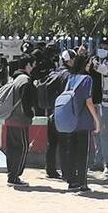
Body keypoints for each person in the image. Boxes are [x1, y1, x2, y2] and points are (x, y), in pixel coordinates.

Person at [55, 54, 102, 192]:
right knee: (83, 153)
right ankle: (82, 182)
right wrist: (96, 120)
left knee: (72, 151)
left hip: (71, 120)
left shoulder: (71, 77)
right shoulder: (87, 79)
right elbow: (89, 102)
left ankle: (72, 181)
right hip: (84, 121)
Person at [37, 50, 74, 180]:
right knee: (65, 143)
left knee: (51, 143)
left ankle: (50, 170)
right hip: (64, 114)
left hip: (52, 112)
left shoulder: (53, 73)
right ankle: (67, 172)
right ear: (68, 60)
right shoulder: (68, 75)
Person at [1, 56, 37, 186]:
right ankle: (15, 176)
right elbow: (26, 102)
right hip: (19, 119)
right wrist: (30, 115)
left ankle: (11, 174)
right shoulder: (25, 80)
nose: (33, 68)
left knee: (11, 148)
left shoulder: (14, 78)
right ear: (27, 65)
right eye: (32, 65)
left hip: (10, 118)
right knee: (22, 147)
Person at [90, 38, 108, 175]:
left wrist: (92, 62)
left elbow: (105, 71)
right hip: (95, 101)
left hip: (107, 102)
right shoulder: (94, 61)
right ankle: (97, 161)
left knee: (105, 131)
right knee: (96, 131)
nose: (102, 49)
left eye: (105, 48)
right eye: (100, 47)